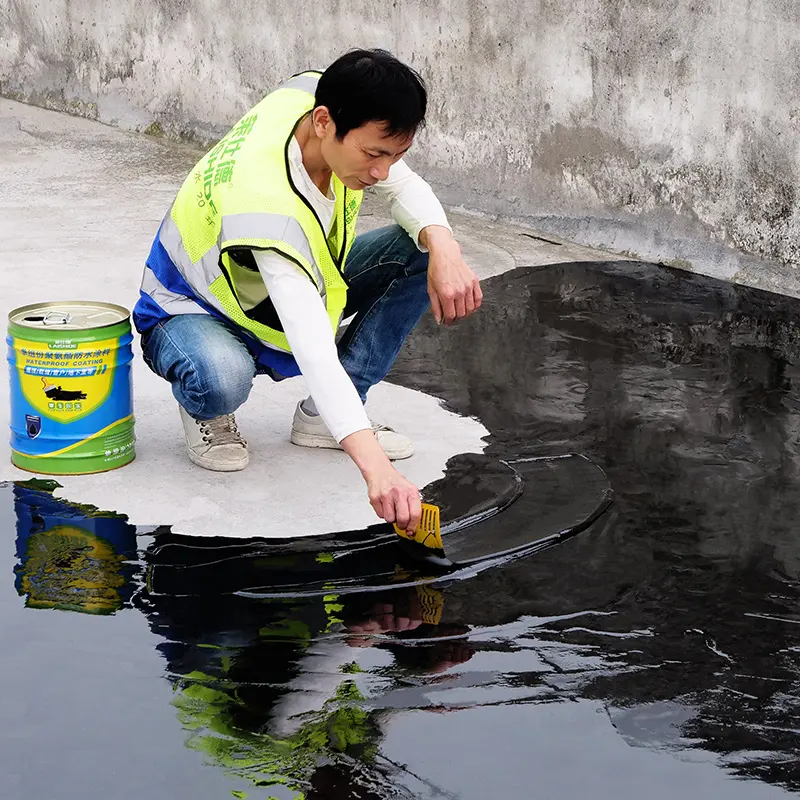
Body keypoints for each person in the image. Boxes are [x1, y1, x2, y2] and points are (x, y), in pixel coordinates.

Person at [133, 48, 482, 534]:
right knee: (222, 378)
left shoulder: (317, 94)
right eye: (373, 154)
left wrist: (445, 246)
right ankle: (202, 409)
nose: (382, 171)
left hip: (272, 290)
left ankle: (329, 418)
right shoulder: (265, 206)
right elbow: (315, 351)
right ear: (324, 123)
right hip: (191, 306)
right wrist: (376, 470)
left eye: (395, 154)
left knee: (422, 246)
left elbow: (403, 188)